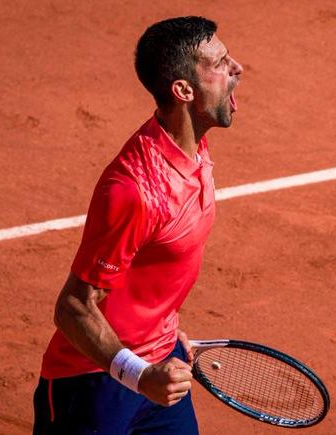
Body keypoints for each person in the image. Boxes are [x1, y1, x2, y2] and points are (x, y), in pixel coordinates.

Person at [33, 16, 243, 434]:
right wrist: (138, 374)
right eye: (219, 63)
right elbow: (73, 307)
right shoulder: (134, 190)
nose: (236, 68)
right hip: (92, 386)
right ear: (183, 90)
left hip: (163, 365)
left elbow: (152, 269)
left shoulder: (195, 150)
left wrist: (163, 326)